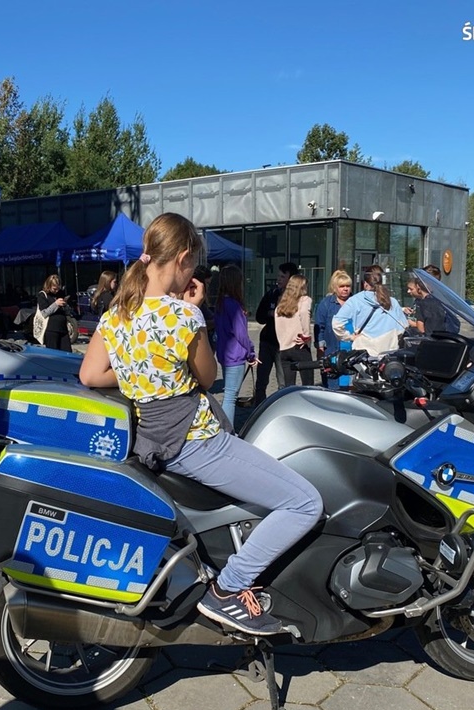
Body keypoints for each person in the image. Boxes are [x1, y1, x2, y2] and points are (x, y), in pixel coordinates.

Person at [79, 212, 323, 636]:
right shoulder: (183, 317)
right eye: (194, 266)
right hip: (197, 442)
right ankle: (229, 590)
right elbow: (208, 378)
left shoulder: (116, 313)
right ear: (184, 258)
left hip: (150, 440)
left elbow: (90, 376)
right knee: (304, 503)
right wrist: (191, 313)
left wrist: (143, 372)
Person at [213, 265, 257, 424]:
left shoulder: (220, 303)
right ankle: (228, 431)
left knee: (228, 394)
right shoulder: (234, 305)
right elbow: (241, 334)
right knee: (231, 396)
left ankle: (226, 429)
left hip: (225, 355)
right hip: (236, 357)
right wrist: (251, 352)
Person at [332, 265, 408, 355]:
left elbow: (337, 323)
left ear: (365, 283)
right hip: (388, 353)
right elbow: (403, 327)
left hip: (363, 353)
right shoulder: (392, 302)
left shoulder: (355, 300)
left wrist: (350, 337)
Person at [253, 262, 298, 406]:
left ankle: (282, 408)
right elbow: (259, 317)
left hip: (284, 345)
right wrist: (271, 314)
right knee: (261, 380)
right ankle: (258, 408)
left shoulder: (297, 298)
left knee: (283, 381)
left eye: (282, 276)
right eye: (278, 276)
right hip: (267, 342)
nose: (278, 279)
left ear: (291, 279)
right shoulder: (271, 294)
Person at [314, 270, 353, 389]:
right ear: (335, 288)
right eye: (342, 286)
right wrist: (320, 346)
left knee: (350, 387)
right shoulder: (326, 304)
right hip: (332, 350)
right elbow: (319, 326)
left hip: (352, 351)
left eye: (348, 286)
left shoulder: (355, 302)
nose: (345, 289)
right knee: (332, 387)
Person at [275, 274, 314, 387]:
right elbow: (304, 313)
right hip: (299, 346)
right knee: (308, 384)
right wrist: (306, 336)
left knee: (289, 386)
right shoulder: (304, 300)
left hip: (284, 348)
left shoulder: (281, 306)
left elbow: (278, 327)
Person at [36, 274, 72, 352]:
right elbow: (44, 313)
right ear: (49, 286)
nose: (56, 291)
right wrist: (56, 304)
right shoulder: (42, 295)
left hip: (63, 328)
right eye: (54, 289)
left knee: (67, 352)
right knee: (53, 352)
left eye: (58, 288)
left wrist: (65, 305)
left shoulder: (60, 293)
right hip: (51, 329)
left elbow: (67, 311)